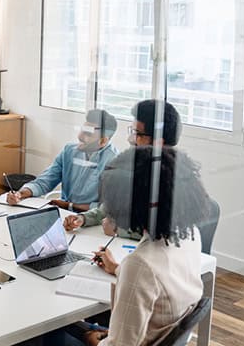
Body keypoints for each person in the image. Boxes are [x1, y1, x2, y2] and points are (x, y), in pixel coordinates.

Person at [42, 146, 209, 346]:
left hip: (138, 338)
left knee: (48, 334)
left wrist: (94, 341)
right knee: (73, 327)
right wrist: (117, 269)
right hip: (153, 332)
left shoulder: (140, 265)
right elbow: (159, 281)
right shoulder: (189, 234)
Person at [63, 100, 182, 239]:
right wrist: (83, 218)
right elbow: (111, 205)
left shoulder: (172, 179)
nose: (130, 138)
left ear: (158, 142)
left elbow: (170, 233)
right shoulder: (138, 165)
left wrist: (121, 231)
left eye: (137, 133)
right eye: (131, 131)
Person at [7, 109, 118, 212]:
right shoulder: (69, 150)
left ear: (103, 141)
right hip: (64, 214)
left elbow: (108, 208)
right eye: (82, 130)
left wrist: (69, 206)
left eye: (88, 134)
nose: (80, 136)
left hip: (94, 221)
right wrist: (20, 194)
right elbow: (44, 181)